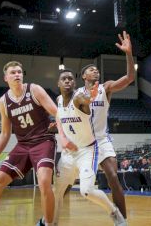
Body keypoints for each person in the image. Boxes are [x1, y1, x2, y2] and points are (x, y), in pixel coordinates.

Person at [0, 61, 58, 226]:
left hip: (43, 140)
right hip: (23, 145)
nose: (17, 74)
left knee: (44, 181)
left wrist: (62, 130)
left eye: (19, 72)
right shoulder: (3, 101)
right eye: (13, 72)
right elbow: (5, 133)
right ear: (5, 78)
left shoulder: (34, 89)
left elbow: (57, 113)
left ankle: (49, 223)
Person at [49, 69, 125, 225]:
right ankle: (50, 222)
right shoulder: (58, 100)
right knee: (57, 193)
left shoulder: (79, 98)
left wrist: (92, 95)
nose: (68, 81)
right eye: (64, 79)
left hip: (87, 150)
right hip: (68, 153)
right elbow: (58, 117)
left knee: (86, 191)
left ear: (75, 84)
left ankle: (114, 211)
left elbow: (86, 99)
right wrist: (60, 134)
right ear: (58, 83)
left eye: (71, 78)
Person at [77, 31, 135, 221]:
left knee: (113, 177)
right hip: (84, 144)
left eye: (97, 69)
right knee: (69, 184)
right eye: (91, 70)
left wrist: (128, 53)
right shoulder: (77, 94)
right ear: (84, 75)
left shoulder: (106, 87)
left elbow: (129, 78)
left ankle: (122, 220)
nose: (96, 71)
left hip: (102, 140)